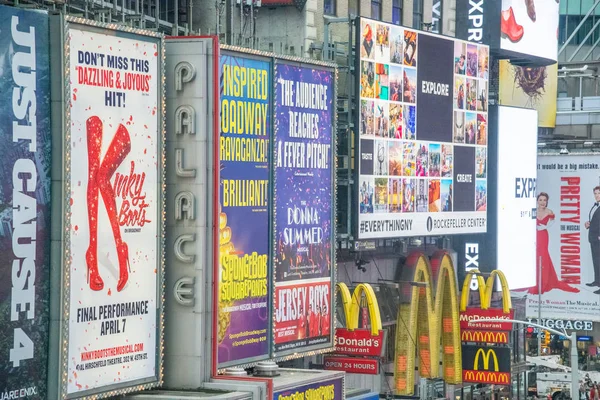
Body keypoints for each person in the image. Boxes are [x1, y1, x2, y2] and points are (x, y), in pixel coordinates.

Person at [527, 192, 579, 294]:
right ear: (537, 201)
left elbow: (553, 221)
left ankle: (545, 281)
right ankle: (534, 279)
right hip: (533, 235)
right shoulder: (533, 211)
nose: (542, 202)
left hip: (543, 236)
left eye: (544, 200)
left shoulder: (549, 211)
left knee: (543, 256)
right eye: (540, 200)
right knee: (535, 256)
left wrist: (545, 227)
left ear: (547, 202)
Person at [585, 186, 600, 293]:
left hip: (598, 238)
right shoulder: (596, 206)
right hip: (594, 238)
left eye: (599, 193)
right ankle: (597, 281)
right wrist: (588, 224)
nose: (597, 195)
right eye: (595, 193)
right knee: (596, 261)